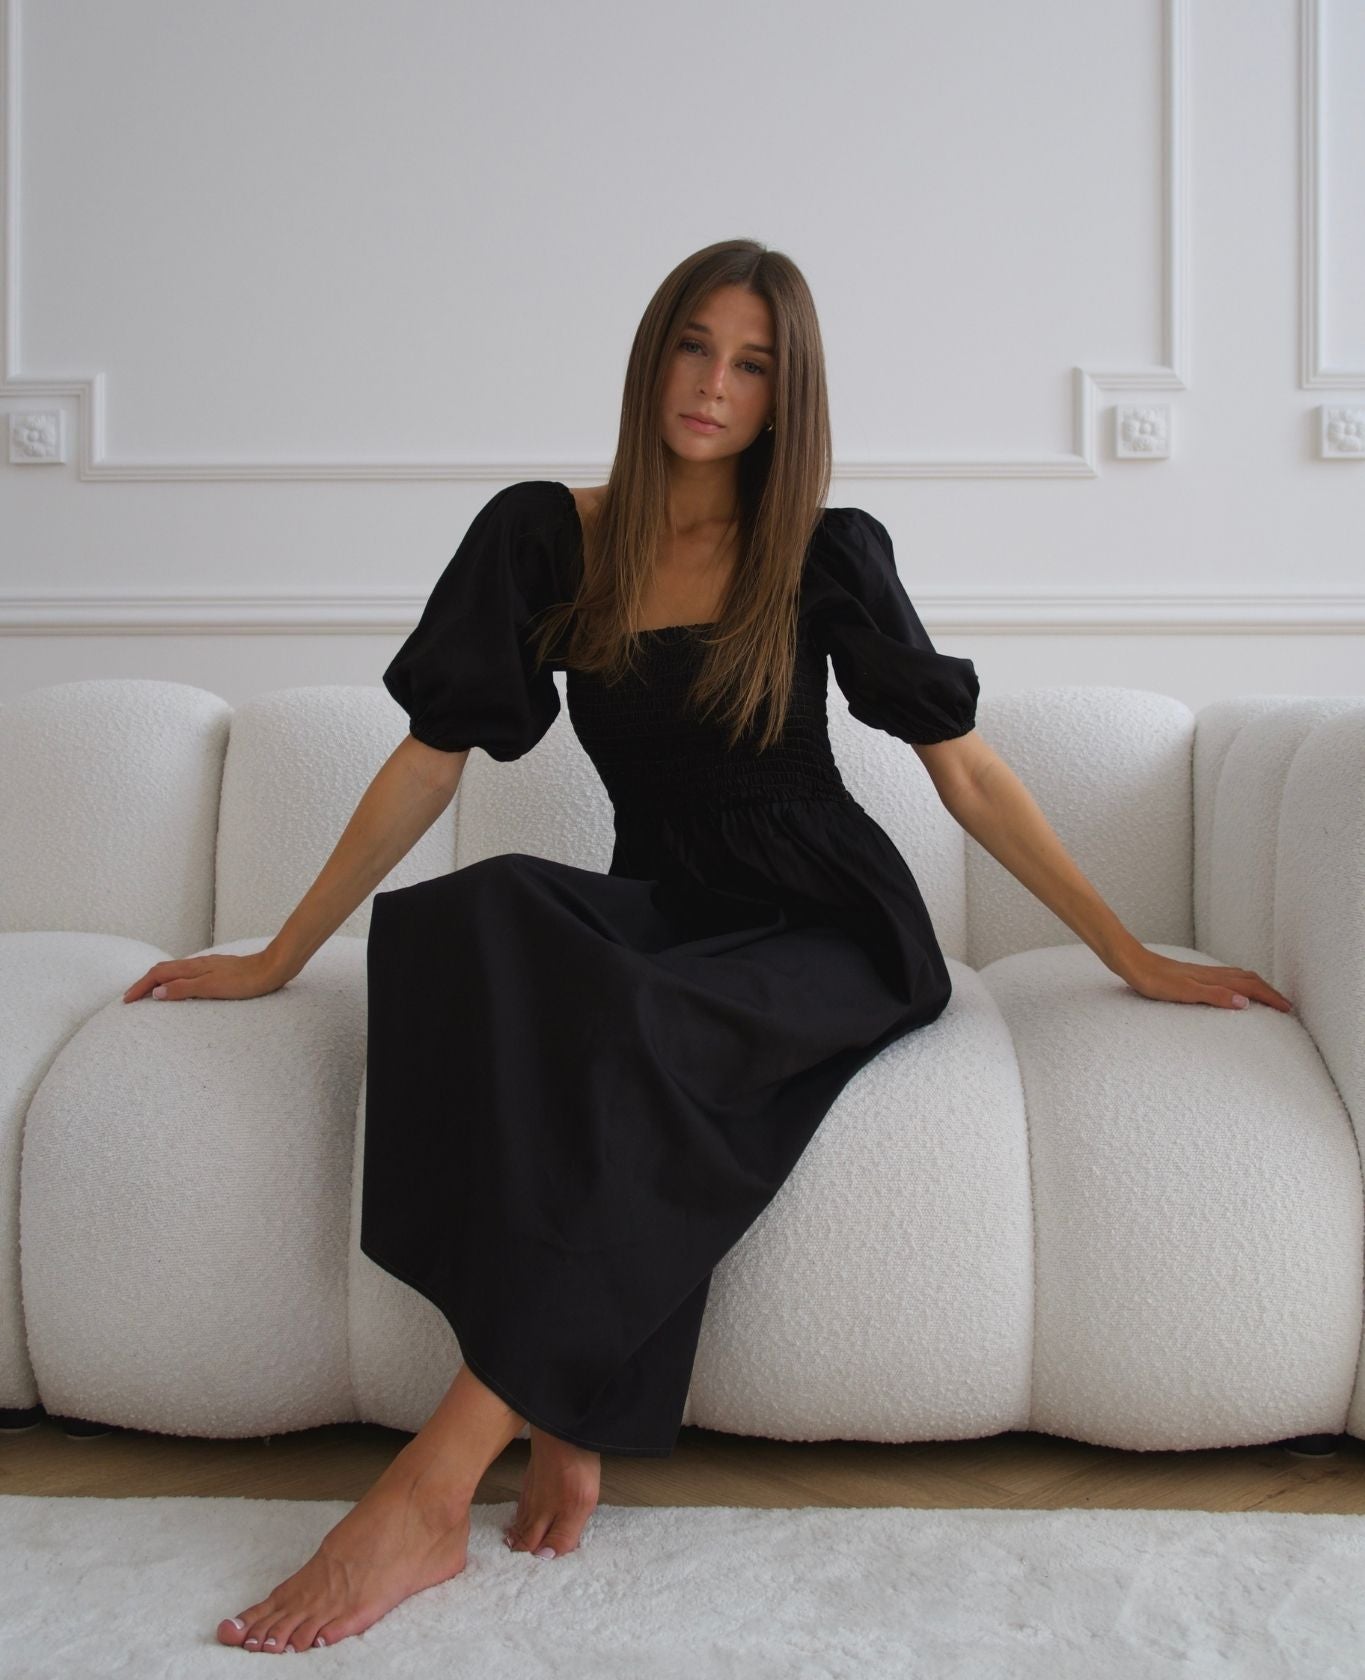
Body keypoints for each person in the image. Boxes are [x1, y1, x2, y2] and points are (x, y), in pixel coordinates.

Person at [122, 238, 1293, 1655]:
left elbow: (968, 774)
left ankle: (436, 1480)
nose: (714, 387)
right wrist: (274, 954)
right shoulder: (544, 537)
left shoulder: (823, 550)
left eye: (753, 365)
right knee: (470, 920)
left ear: (787, 395)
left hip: (829, 918)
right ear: (652, 353)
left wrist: (1131, 953)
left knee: (634, 1026)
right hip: (669, 901)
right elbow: (430, 761)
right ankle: (566, 1406)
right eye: (693, 346)